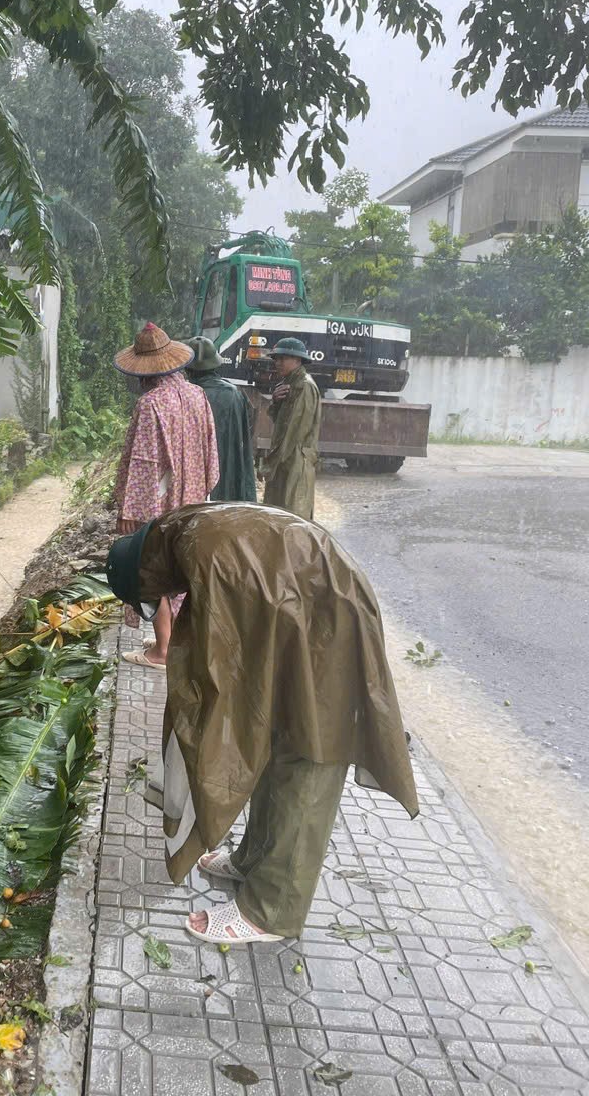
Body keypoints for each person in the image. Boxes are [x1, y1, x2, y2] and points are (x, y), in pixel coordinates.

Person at [105, 503, 418, 946]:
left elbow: (221, 672)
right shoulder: (186, 529)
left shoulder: (199, 552)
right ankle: (253, 860)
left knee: (310, 753)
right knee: (275, 739)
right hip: (309, 604)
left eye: (151, 594)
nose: (161, 600)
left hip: (329, 618)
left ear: (146, 574)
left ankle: (272, 911)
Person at [113, 322, 219, 669]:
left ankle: (162, 650)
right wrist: (201, 489)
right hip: (192, 499)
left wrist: (131, 509)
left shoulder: (151, 404)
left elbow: (144, 461)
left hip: (159, 501)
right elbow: (210, 453)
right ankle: (172, 639)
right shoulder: (196, 395)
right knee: (181, 565)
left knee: (152, 565)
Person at [185, 336, 257, 503]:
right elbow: (247, 430)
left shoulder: (185, 395)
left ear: (187, 369)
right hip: (230, 463)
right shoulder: (234, 394)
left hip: (196, 470)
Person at [261, 336, 321, 520]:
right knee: (278, 518)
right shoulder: (289, 383)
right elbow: (280, 421)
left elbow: (293, 432)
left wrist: (270, 463)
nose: (277, 363)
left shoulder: (303, 386)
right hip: (285, 460)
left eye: (283, 358)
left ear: (297, 359)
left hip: (294, 462)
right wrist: (275, 401)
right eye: (276, 359)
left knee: (292, 519)